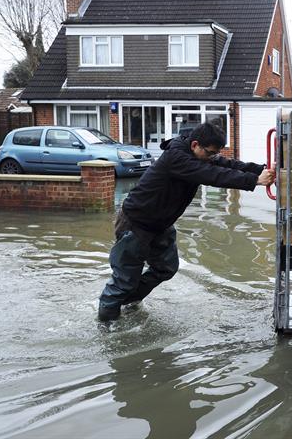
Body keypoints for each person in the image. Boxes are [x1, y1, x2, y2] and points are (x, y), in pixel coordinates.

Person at [98, 122, 275, 321]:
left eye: (214, 154)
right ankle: (107, 329)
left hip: (161, 225)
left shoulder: (199, 155)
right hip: (135, 224)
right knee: (123, 283)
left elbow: (226, 165)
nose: (212, 157)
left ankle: (128, 303)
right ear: (195, 145)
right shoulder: (177, 158)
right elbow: (212, 175)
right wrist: (254, 181)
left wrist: (261, 170)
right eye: (210, 153)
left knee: (166, 269)